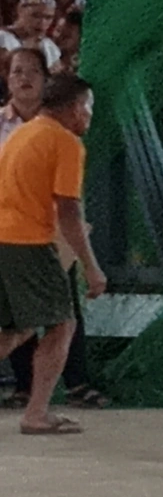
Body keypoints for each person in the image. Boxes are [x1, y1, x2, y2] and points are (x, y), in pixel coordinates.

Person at [0, 72, 97, 435]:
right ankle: (36, 413)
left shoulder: (21, 133)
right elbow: (69, 211)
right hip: (28, 241)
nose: (89, 115)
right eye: (88, 107)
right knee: (62, 323)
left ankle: (36, 410)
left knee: (16, 328)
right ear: (76, 108)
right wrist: (91, 266)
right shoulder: (65, 142)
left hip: (3, 237)